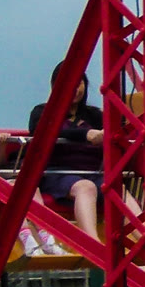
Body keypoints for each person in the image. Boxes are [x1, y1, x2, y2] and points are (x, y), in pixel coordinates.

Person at [28, 71, 104, 239]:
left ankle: (144, 238)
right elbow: (45, 132)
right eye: (70, 84)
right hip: (58, 172)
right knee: (86, 187)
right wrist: (85, 135)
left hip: (93, 171)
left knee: (117, 188)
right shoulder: (43, 112)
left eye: (79, 83)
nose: (75, 89)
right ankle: (93, 243)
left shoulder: (95, 115)